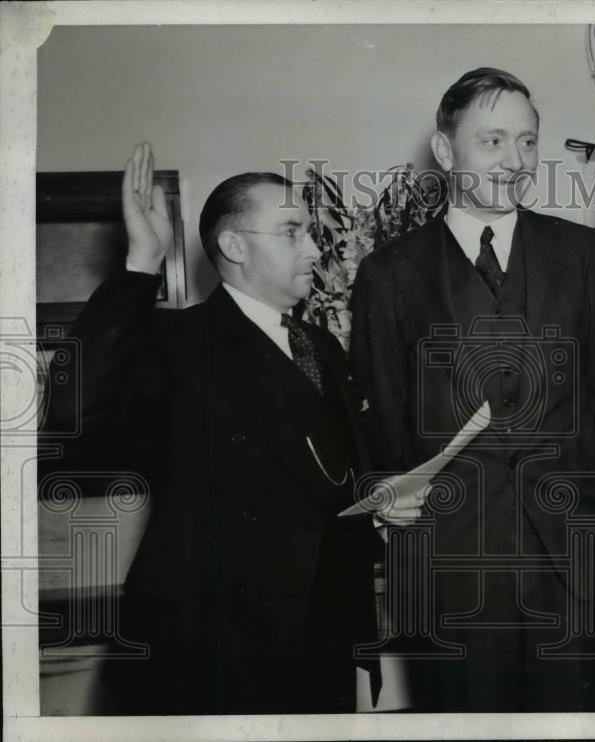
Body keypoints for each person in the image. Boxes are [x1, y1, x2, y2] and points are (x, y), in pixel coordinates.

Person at [57, 143, 417, 714]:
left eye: (310, 231)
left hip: (321, 624)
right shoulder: (177, 341)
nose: (314, 246)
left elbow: (325, 470)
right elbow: (73, 409)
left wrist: (376, 499)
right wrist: (141, 265)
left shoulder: (319, 344)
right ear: (233, 245)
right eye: (292, 231)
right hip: (216, 638)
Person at [349, 68, 595, 711]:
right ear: (447, 151)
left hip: (570, 555)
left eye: (529, 142)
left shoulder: (583, 253)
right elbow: (383, 417)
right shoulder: (388, 274)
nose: (516, 160)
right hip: (451, 567)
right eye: (494, 141)